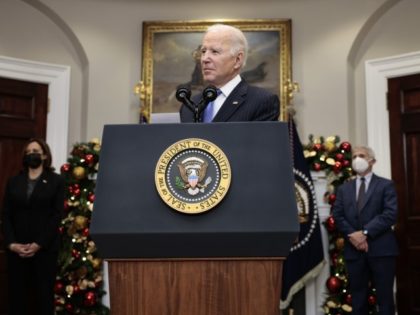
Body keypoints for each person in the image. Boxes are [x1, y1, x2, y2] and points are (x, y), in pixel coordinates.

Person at [1, 138, 64, 315]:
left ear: (44, 155)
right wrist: (12, 244)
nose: (32, 155)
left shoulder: (56, 181)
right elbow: (6, 215)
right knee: (17, 299)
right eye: (28, 152)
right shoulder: (14, 181)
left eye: (35, 151)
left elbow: (56, 216)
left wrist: (38, 244)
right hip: (17, 251)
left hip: (44, 251)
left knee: (43, 299)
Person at [332, 146, 398, 315]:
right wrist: (354, 237)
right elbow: (338, 215)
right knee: (358, 300)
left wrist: (365, 233)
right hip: (354, 251)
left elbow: (390, 214)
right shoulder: (344, 189)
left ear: (372, 161)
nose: (357, 159)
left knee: (385, 300)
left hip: (381, 250)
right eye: (354, 156)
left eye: (361, 156)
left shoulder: (386, 185)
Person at [180, 23, 280, 122]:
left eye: (215, 52)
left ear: (237, 60)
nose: (204, 59)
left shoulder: (262, 101)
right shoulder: (190, 105)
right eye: (203, 51)